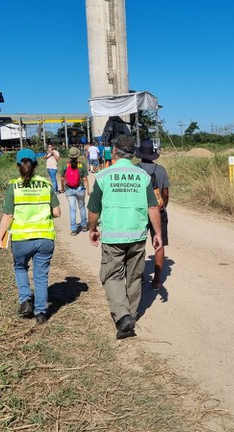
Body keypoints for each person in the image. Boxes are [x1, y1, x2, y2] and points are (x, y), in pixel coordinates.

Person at [87, 135, 162, 339]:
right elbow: (153, 206)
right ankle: (132, 313)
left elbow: (94, 209)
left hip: (113, 236)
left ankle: (122, 315)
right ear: (132, 154)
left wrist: (92, 228)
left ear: (114, 151)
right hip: (137, 235)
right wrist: (157, 235)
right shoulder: (142, 176)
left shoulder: (103, 176)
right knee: (135, 276)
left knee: (112, 275)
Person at [0, 148, 61, 324]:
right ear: (35, 164)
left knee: (20, 268)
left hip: (21, 239)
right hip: (45, 238)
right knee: (40, 275)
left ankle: (25, 300)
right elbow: (57, 213)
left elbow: (8, 215)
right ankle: (40, 313)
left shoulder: (13, 186)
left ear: (18, 165)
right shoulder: (46, 185)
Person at [135, 139, 170, 289]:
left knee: (138, 245)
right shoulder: (161, 170)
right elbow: (166, 193)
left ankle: (141, 276)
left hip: (139, 212)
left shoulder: (134, 169)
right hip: (158, 210)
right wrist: (163, 206)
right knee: (159, 244)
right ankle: (156, 281)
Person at [64, 146, 89, 235]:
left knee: (72, 210)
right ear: (78, 155)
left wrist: (63, 188)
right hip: (80, 188)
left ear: (69, 156)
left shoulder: (66, 164)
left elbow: (62, 177)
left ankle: (74, 229)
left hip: (69, 189)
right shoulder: (82, 165)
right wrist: (88, 190)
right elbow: (85, 178)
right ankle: (84, 226)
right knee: (82, 207)